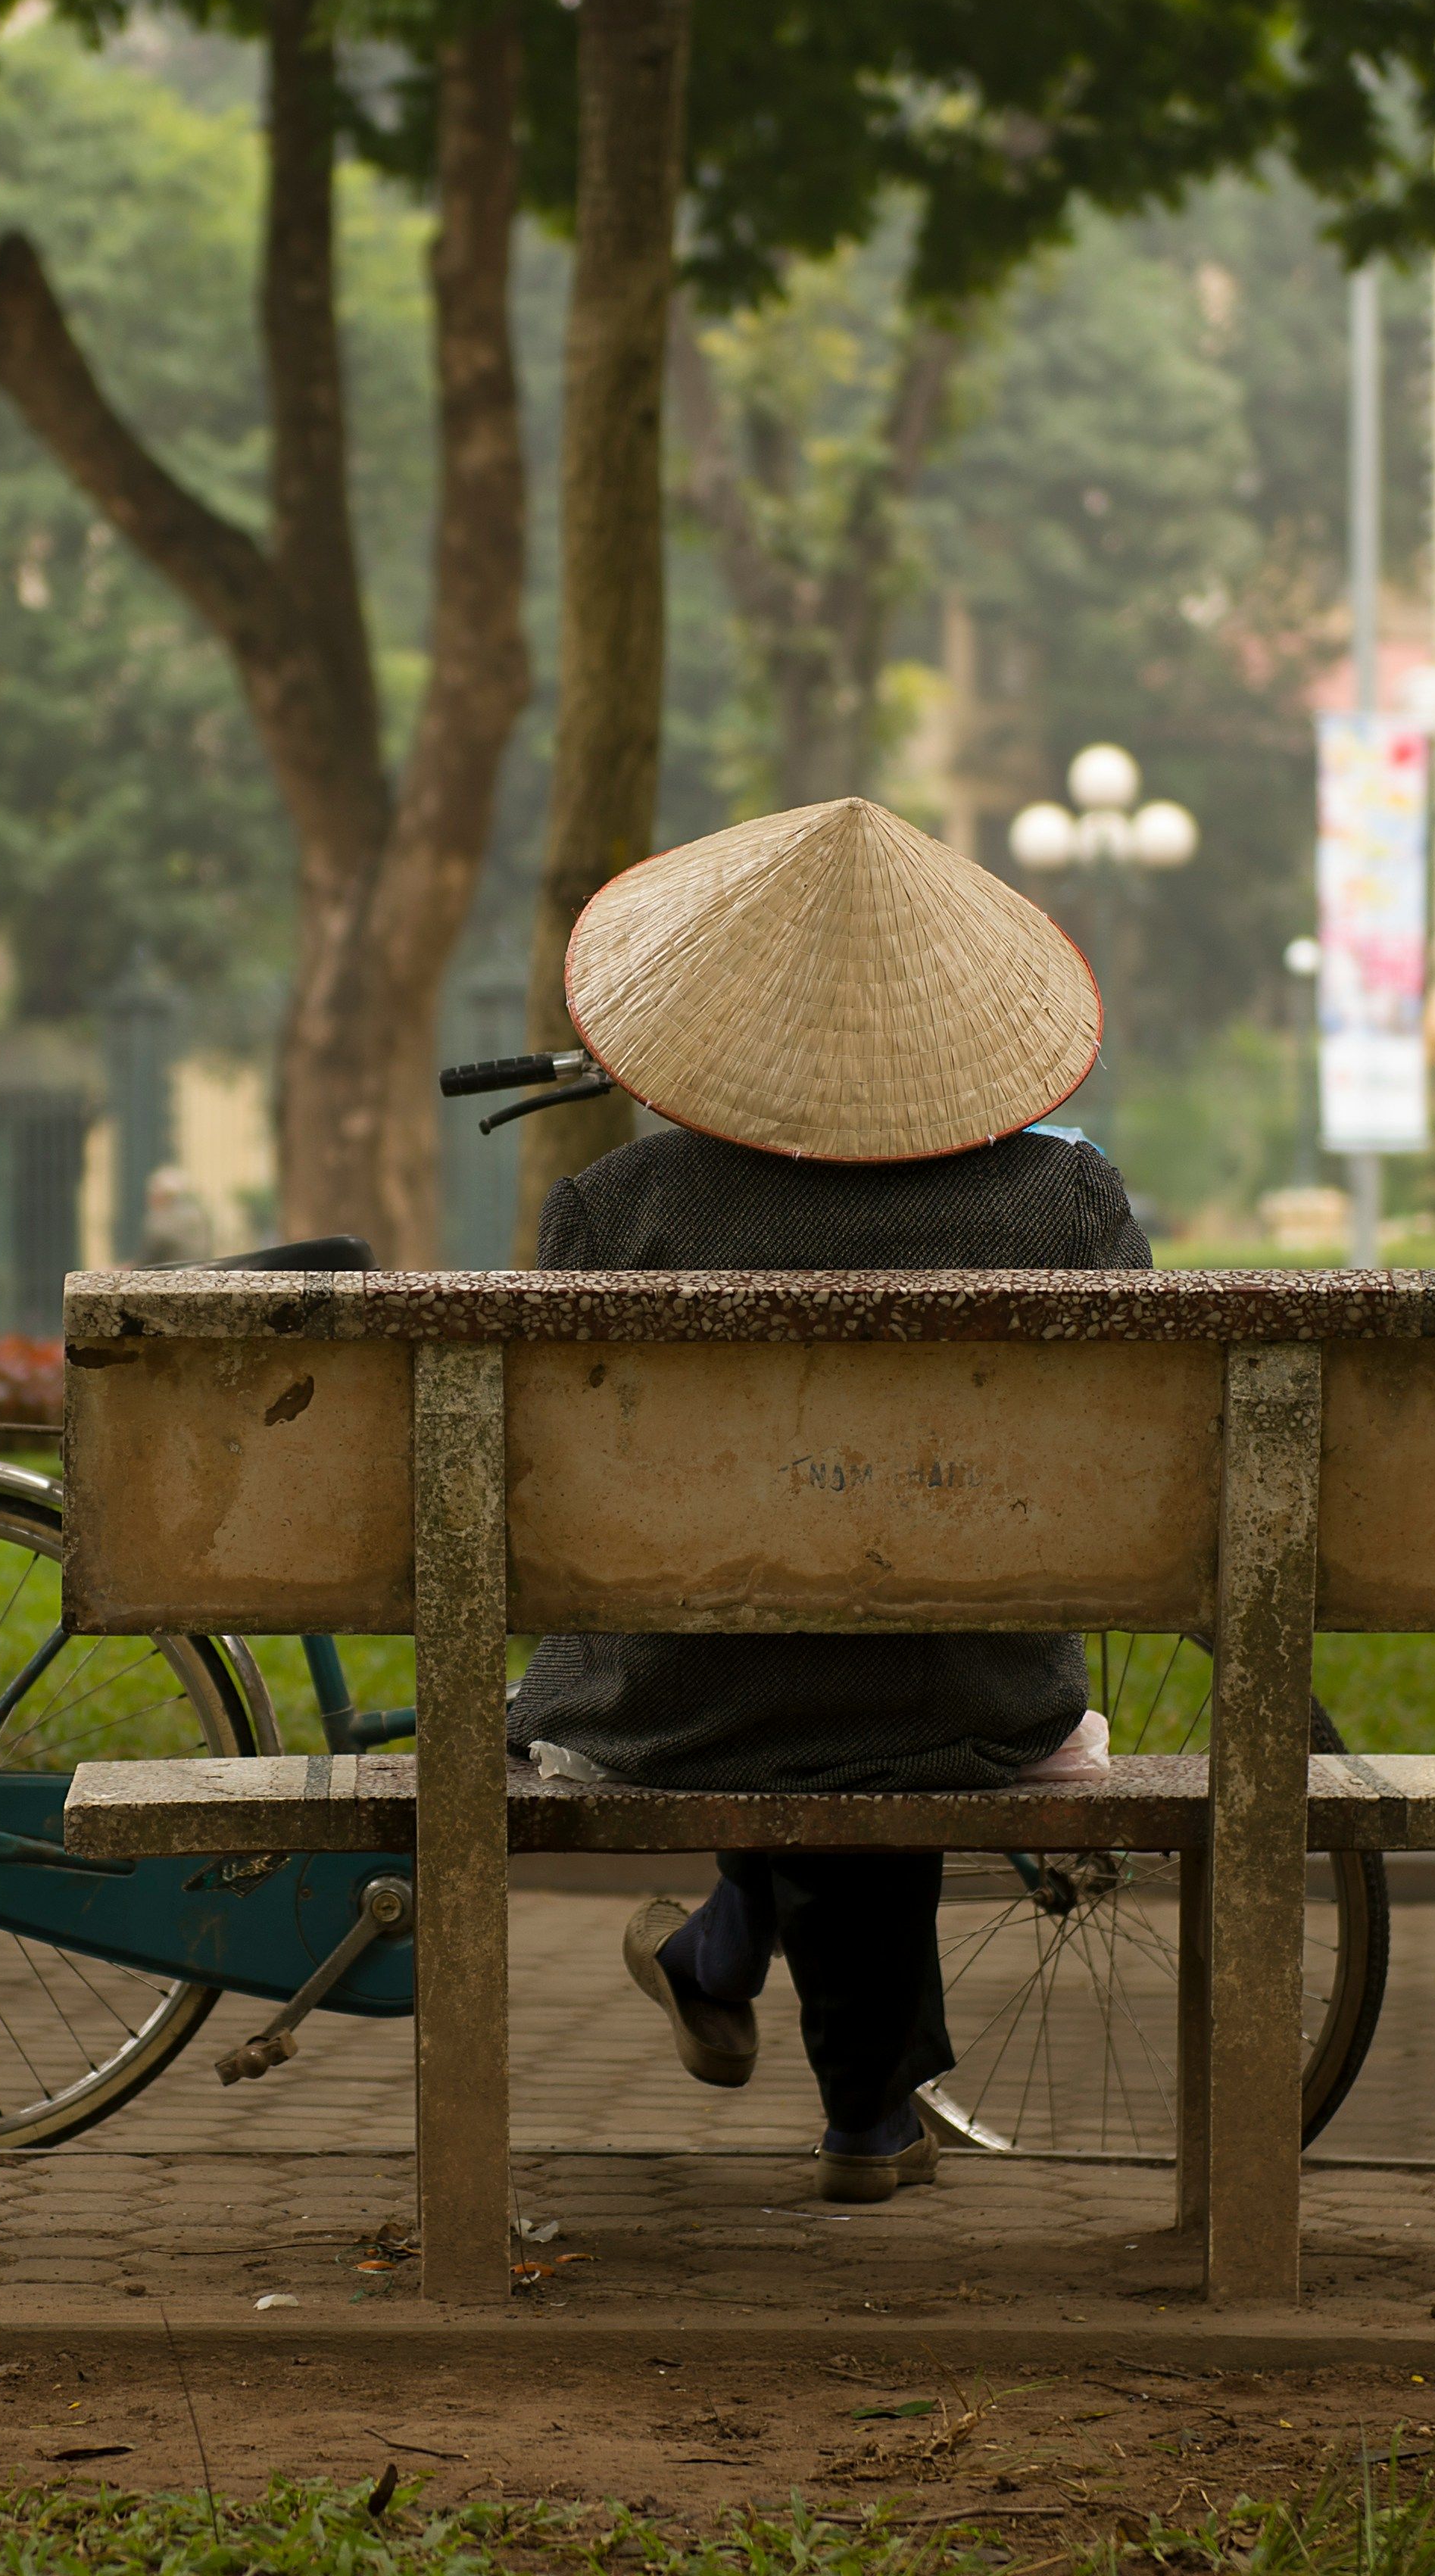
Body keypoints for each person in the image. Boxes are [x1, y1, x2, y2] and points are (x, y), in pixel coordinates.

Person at [505, 794, 1134, 2206]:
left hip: (679, 1700)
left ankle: (735, 1959)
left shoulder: (616, 1210)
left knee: (777, 1635)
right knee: (874, 1644)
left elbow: (557, 1491)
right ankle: (847, 2096)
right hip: (972, 1692)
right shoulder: (1062, 1208)